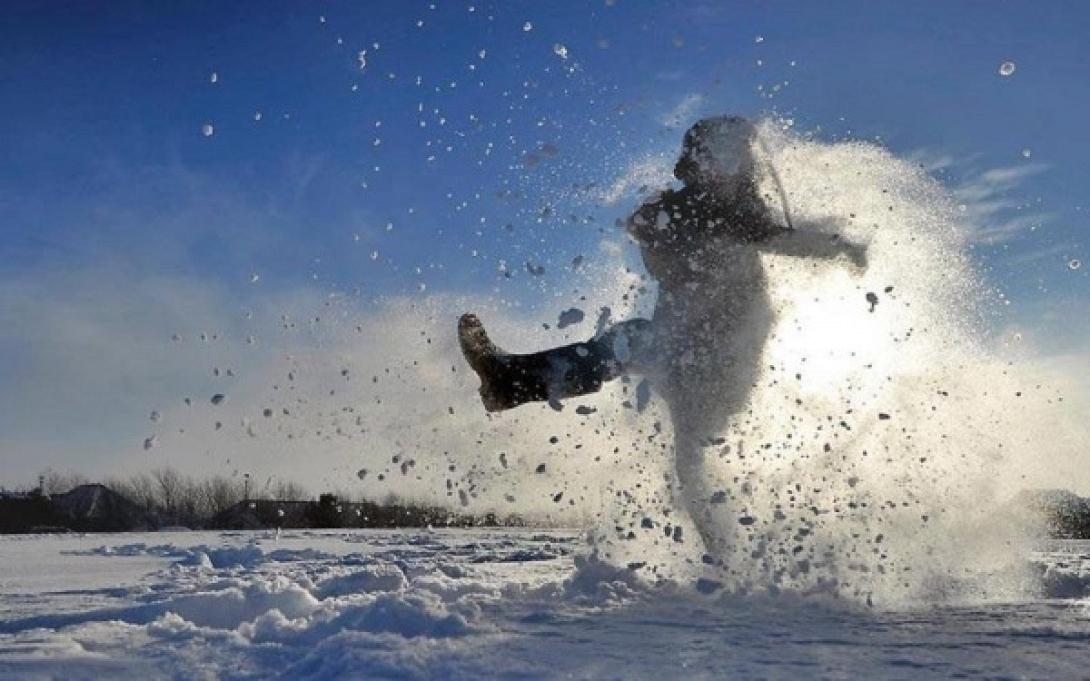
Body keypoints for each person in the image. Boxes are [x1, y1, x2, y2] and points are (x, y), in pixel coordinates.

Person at [458, 115, 867, 563]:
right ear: (693, 163)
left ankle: (736, 562)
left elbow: (780, 239)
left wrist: (844, 250)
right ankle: (732, 562)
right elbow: (653, 240)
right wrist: (658, 228)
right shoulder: (682, 210)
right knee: (684, 453)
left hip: (722, 360)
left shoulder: (738, 216)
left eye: (731, 157)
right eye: (709, 157)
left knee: (646, 372)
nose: (721, 166)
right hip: (686, 350)